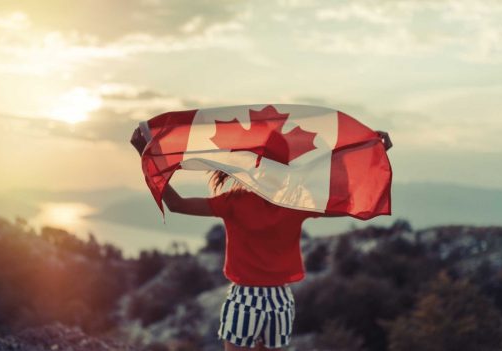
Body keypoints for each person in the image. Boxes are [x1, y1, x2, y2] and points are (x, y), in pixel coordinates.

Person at [130, 127, 392, 351]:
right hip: (280, 301)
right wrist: (375, 154)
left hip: (245, 299)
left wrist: (146, 157)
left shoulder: (235, 202)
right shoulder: (295, 203)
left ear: (257, 166)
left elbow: (176, 204)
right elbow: (345, 203)